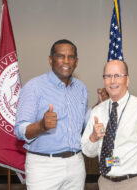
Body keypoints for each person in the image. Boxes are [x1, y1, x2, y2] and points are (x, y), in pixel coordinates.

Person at [81, 60, 137, 190]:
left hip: (134, 183)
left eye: (118, 76)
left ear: (127, 80)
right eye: (108, 76)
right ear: (104, 81)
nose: (112, 81)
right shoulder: (97, 112)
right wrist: (93, 138)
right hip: (105, 183)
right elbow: (88, 152)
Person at [14, 39, 88, 190]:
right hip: (44, 167)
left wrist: (100, 107)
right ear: (50, 60)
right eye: (61, 56)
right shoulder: (34, 87)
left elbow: (85, 123)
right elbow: (20, 130)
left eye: (71, 57)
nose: (66, 61)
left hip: (76, 164)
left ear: (76, 61)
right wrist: (41, 126)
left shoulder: (81, 88)